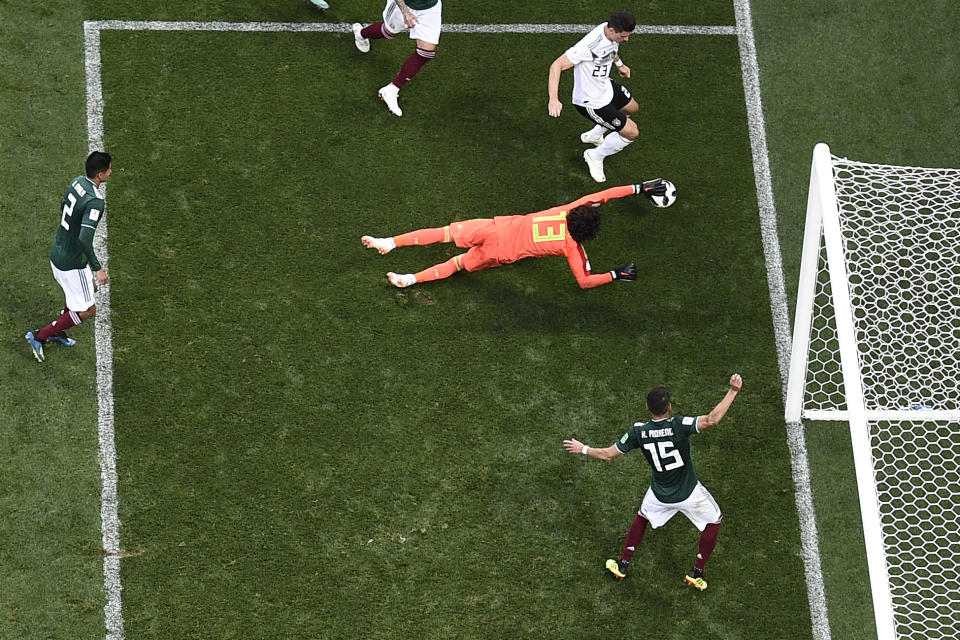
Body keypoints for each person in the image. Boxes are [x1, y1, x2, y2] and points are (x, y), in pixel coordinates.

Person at [562, 373, 744, 591]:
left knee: (642, 517)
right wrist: (733, 391)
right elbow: (712, 419)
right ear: (669, 407)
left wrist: (583, 448)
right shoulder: (679, 425)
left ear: (647, 406)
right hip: (689, 492)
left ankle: (623, 564)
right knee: (714, 520)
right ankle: (696, 572)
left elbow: (607, 454)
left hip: (660, 494)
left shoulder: (638, 431)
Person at [361, 181, 670, 289]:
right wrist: (616, 274)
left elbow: (605, 194)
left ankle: (389, 242)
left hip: (496, 226)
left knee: (442, 233)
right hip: (501, 253)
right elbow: (584, 281)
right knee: (457, 264)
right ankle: (411, 279)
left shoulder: (565, 209)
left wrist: (640, 187)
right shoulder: (570, 248)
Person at [25, 151, 113, 363]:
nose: (111, 172)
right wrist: (97, 268)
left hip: (59, 250)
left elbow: (63, 207)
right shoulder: (95, 202)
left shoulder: (77, 182)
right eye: (109, 169)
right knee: (88, 310)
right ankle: (40, 335)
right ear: (100, 174)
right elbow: (84, 238)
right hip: (72, 263)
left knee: (86, 290)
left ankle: (57, 331)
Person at [547, 10, 639, 183]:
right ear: (612, 31)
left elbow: (611, 49)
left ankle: (596, 135)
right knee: (632, 133)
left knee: (632, 108)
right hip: (592, 101)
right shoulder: (589, 46)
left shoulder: (608, 31)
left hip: (604, 85)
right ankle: (595, 156)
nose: (627, 40)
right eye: (624, 36)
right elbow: (556, 65)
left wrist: (620, 65)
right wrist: (554, 98)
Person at [351, 0, 442, 117]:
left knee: (426, 52)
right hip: (405, 6)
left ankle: (391, 90)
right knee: (388, 32)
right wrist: (406, 12)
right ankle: (360, 34)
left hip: (430, 7)